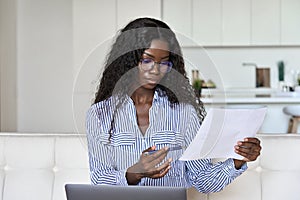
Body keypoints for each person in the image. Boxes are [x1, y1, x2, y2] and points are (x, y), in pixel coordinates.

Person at [86, 17, 261, 193]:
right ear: (128, 61)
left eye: (164, 62)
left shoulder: (183, 112)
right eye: (147, 60)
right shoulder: (100, 115)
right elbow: (100, 179)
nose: (156, 70)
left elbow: (202, 180)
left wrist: (238, 160)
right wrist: (134, 173)